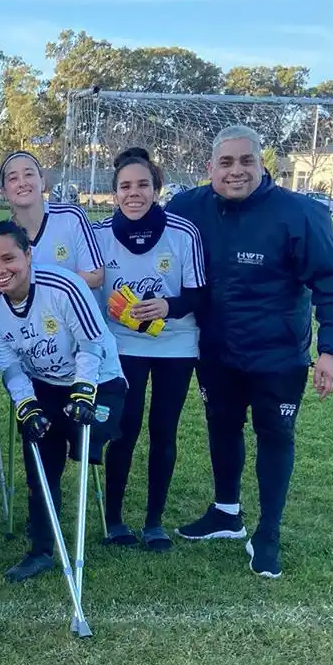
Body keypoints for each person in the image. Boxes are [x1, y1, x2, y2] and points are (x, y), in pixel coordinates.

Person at [167, 125, 333, 578]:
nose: (236, 171)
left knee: (275, 436)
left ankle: (268, 532)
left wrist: (331, 350)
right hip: (215, 350)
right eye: (226, 163)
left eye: (246, 161)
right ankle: (226, 512)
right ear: (210, 168)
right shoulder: (186, 207)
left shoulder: (300, 214)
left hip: (278, 355)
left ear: (262, 164)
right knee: (222, 425)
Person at [0, 221, 127, 583]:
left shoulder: (64, 285)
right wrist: (26, 405)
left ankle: (85, 448)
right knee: (41, 462)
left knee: (86, 448)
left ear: (28, 255)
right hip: (44, 386)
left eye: (9, 258)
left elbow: (91, 345)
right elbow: (10, 368)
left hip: (99, 380)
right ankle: (41, 549)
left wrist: (83, 390)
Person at [94, 148, 206, 552]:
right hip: (123, 344)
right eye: (125, 186)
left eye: (143, 184)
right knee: (124, 429)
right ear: (115, 193)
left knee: (163, 430)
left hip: (176, 345)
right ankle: (115, 520)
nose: (134, 193)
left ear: (157, 188)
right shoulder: (100, 234)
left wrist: (168, 305)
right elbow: (87, 287)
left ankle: (154, 521)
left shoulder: (182, 232)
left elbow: (199, 294)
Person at [0, 151, 104, 287]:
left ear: (42, 182)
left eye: (29, 174)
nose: (22, 183)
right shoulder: (2, 237)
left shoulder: (72, 217)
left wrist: (46, 291)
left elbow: (96, 276)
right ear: (4, 191)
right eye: (13, 178)